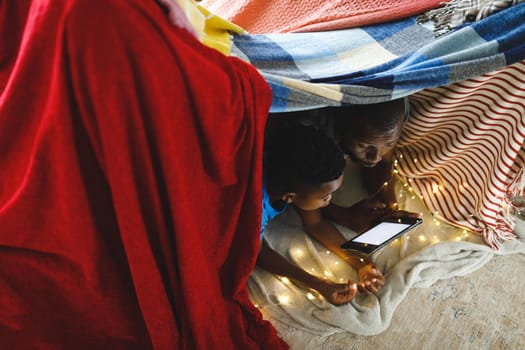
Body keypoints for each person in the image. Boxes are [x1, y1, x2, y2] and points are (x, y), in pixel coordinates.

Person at [257, 124, 385, 306]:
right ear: (291, 197)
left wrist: (360, 263)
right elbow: (260, 252)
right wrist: (319, 284)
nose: (329, 201)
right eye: (326, 197)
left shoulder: (293, 168)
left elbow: (316, 224)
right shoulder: (255, 210)